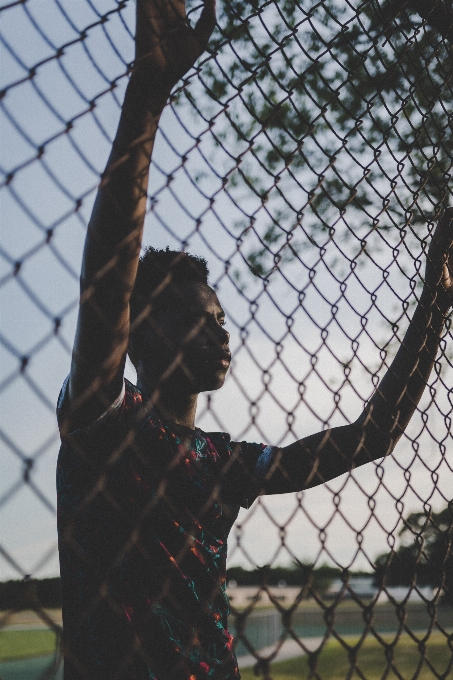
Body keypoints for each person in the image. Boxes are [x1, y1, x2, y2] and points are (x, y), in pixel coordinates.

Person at [56, 1, 453, 678]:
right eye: (192, 317)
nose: (217, 330)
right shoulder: (103, 421)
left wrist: (435, 301)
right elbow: (105, 285)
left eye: (219, 318)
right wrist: (147, 99)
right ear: (138, 332)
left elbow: (373, 435)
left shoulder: (221, 464)